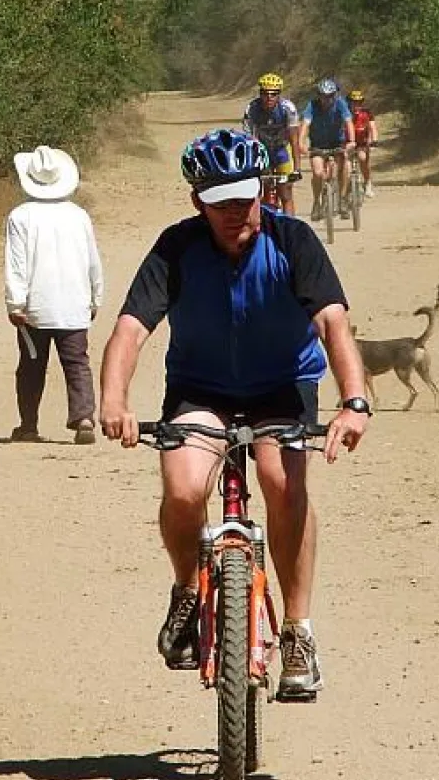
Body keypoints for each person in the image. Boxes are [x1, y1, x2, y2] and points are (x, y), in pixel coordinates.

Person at [98, 128, 370, 700]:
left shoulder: (293, 240)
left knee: (282, 483)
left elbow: (332, 324)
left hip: (282, 386)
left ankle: (297, 632)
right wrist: (114, 400)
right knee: (182, 488)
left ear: (263, 191)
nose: (234, 213)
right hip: (202, 388)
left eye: (244, 199)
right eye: (219, 202)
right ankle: (186, 591)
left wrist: (354, 401)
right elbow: (130, 329)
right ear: (197, 199)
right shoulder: (176, 247)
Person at [5, 145, 104, 445]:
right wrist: (95, 296)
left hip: (35, 307)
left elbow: (17, 263)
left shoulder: (20, 217)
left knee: (31, 366)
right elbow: (92, 260)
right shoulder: (79, 216)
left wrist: (15, 302)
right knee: (77, 362)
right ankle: (84, 417)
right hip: (74, 304)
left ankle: (29, 425)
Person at [242, 72, 302, 215]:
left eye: (273, 94)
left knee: (286, 193)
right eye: (265, 93)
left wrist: (297, 169)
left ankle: (290, 230)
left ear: (279, 95)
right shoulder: (252, 108)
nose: (269, 97)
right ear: (260, 93)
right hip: (262, 153)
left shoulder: (288, 109)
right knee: (263, 193)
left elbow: (294, 141)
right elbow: (248, 140)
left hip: (281, 152)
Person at [299, 78, 355, 221]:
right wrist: (301, 143)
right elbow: (305, 124)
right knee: (318, 173)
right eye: (324, 96)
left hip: (338, 143)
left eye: (330, 96)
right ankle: (317, 202)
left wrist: (352, 141)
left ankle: (342, 199)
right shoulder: (312, 106)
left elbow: (348, 122)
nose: (327, 99)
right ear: (319, 96)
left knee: (345, 166)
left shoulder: (341, 104)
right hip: (318, 145)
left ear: (335, 95)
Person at [348, 89, 379, 198]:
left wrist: (374, 140)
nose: (356, 105)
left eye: (359, 102)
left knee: (362, 158)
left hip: (362, 143)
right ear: (350, 103)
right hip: (348, 142)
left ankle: (367, 183)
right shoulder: (345, 113)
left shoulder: (367, 113)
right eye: (354, 102)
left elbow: (372, 127)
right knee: (345, 163)